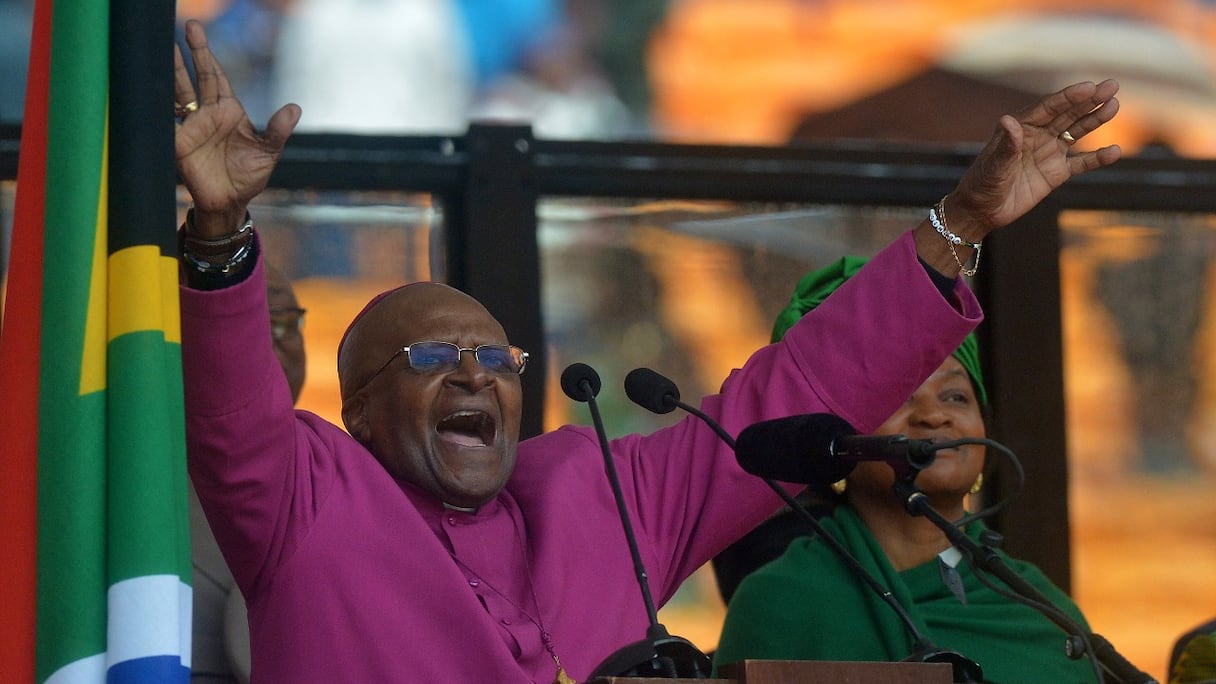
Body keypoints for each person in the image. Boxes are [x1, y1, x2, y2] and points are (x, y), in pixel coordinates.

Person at [172, 18, 1121, 682]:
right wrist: (218, 232)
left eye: (499, 361)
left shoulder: (602, 501)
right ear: (362, 414)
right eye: (432, 361)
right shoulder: (309, 494)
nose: (475, 374)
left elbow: (792, 389)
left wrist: (960, 225)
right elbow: (234, 415)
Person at [711, 257, 1103, 683]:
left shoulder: (1042, 613)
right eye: (899, 398)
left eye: (955, 397)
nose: (934, 417)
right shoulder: (781, 603)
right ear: (838, 444)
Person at [190, 263, 305, 683]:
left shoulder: (352, 482)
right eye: (251, 322)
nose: (271, 342)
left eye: (285, 322)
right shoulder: (126, 486)